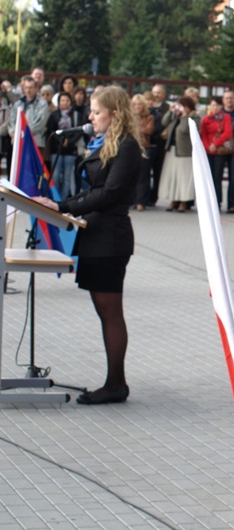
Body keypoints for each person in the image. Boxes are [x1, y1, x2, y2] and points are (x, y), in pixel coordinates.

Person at [34, 86, 144, 405]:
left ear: (115, 113)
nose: (91, 117)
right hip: (97, 234)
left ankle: (116, 385)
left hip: (111, 237)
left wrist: (63, 206)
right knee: (104, 311)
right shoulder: (105, 143)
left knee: (111, 312)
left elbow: (108, 194)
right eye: (91, 111)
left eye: (97, 112)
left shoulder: (126, 146)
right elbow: (94, 190)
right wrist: (59, 204)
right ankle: (114, 382)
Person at [159, 97, 199, 213]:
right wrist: (170, 112)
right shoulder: (176, 116)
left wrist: (185, 116)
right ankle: (173, 199)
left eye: (181, 106)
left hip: (185, 153)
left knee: (184, 179)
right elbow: (164, 123)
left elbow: (184, 130)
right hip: (172, 150)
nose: (179, 108)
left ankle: (183, 202)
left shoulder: (194, 118)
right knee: (173, 177)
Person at [45, 91, 83, 199]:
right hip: (56, 149)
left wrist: (69, 141)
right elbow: (50, 131)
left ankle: (63, 199)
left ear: (71, 102)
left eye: (67, 100)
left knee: (67, 176)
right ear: (59, 102)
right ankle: (55, 198)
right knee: (55, 176)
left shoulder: (75, 115)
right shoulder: (54, 115)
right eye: (62, 100)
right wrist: (60, 140)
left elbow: (79, 131)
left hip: (70, 150)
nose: (65, 103)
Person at [200, 96, 234, 207]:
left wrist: (215, 144)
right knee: (208, 177)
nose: (215, 107)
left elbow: (227, 133)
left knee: (217, 177)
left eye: (217, 105)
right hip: (208, 150)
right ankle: (208, 201)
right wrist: (207, 146)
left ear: (221, 106)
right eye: (213, 105)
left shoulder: (225, 117)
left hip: (219, 150)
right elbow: (203, 134)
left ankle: (217, 201)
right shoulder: (206, 119)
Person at [131, 94, 155, 211]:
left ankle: (141, 201)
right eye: (135, 104)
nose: (137, 106)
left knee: (143, 176)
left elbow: (149, 130)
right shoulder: (129, 117)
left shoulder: (149, 117)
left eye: (140, 104)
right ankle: (131, 200)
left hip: (144, 148)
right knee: (130, 176)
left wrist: (135, 128)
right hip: (131, 148)